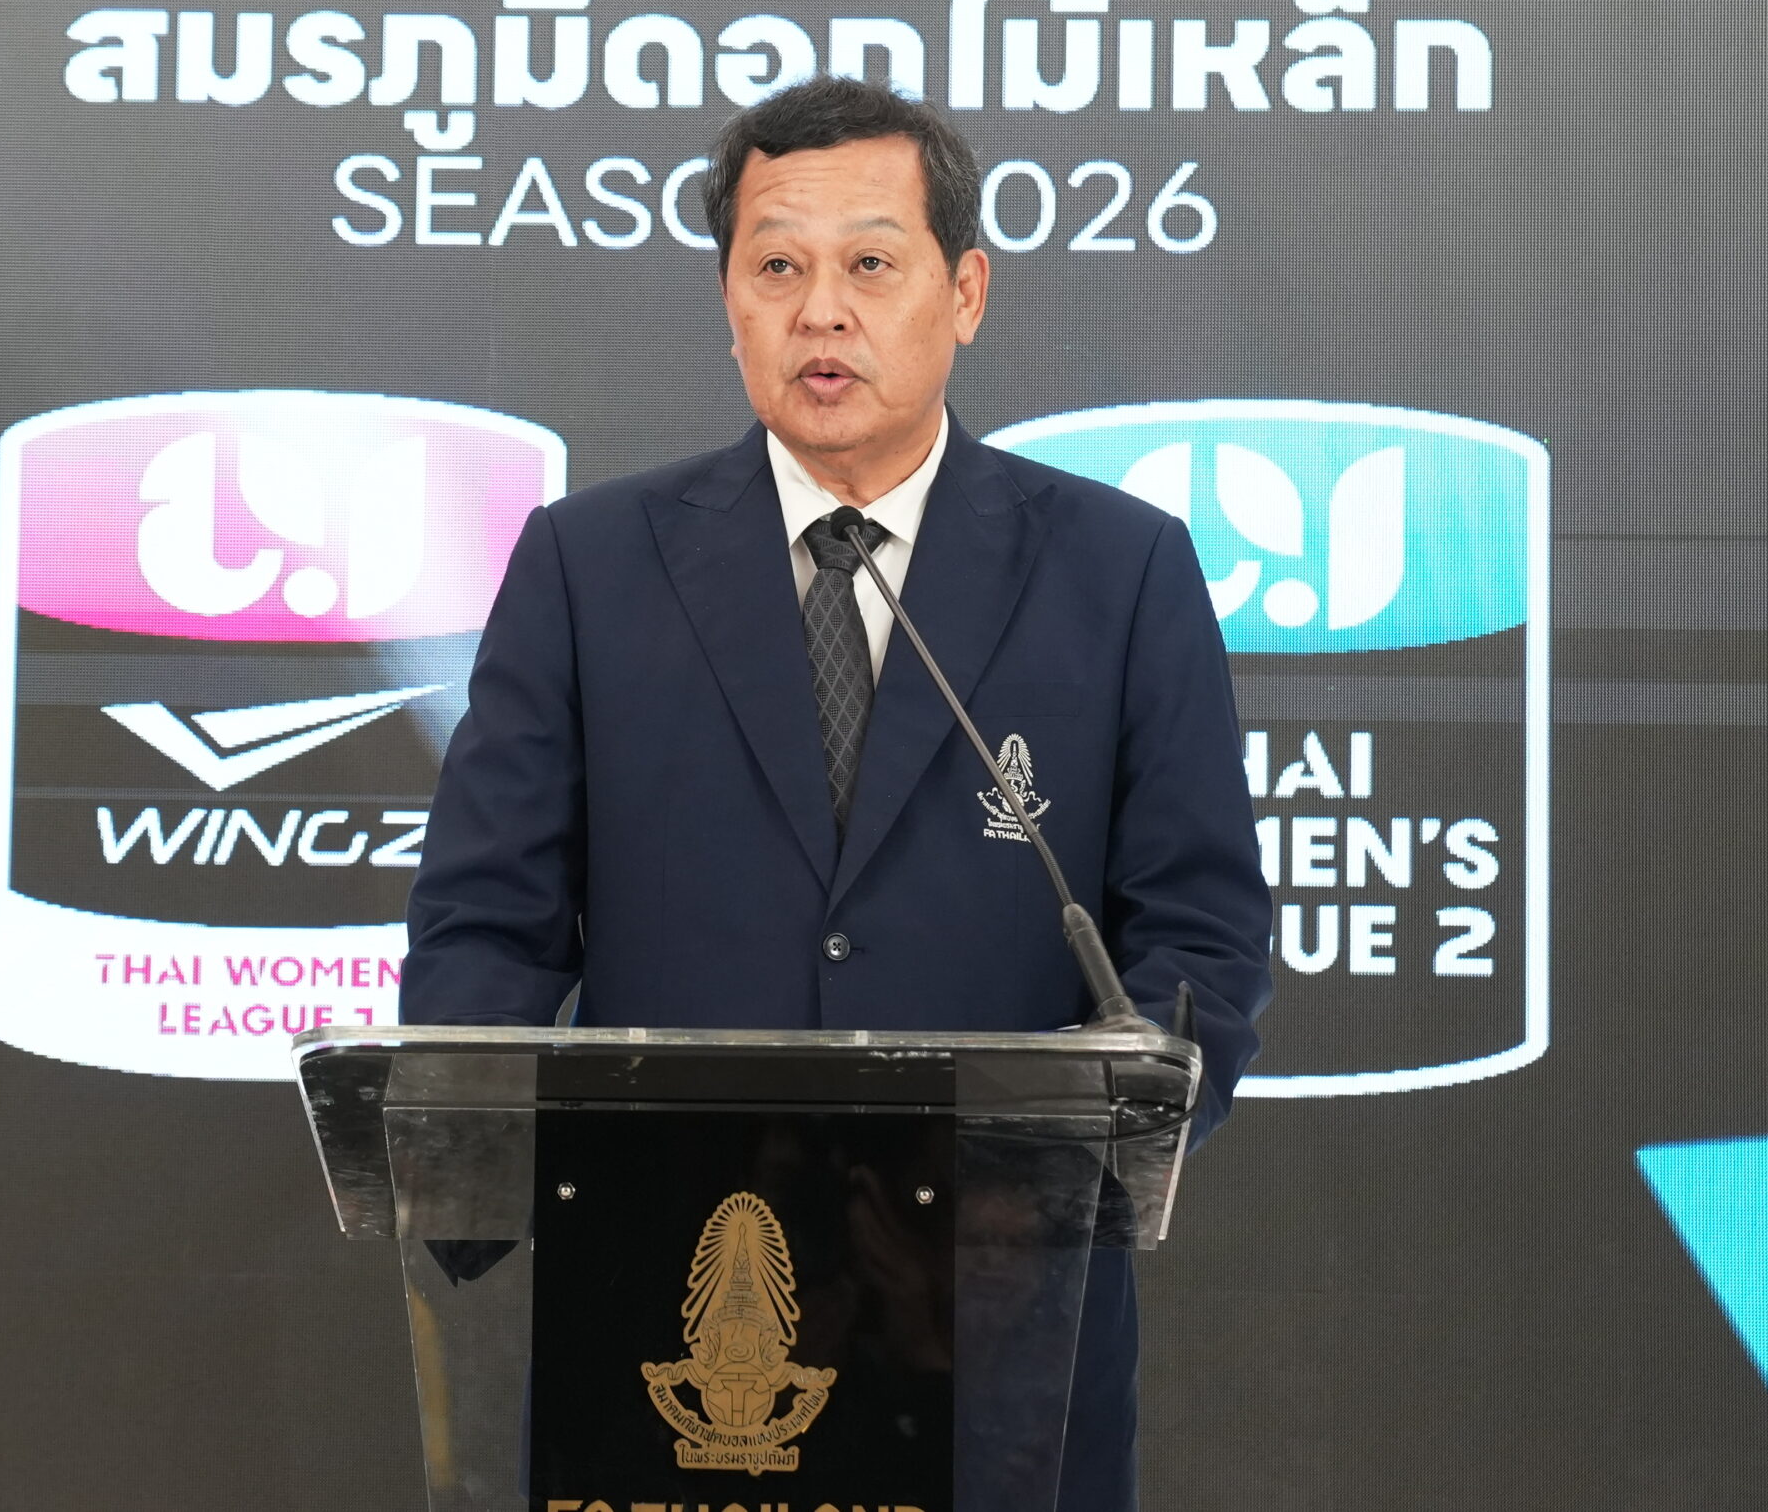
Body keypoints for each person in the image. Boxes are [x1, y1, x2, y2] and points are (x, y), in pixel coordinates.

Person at [401, 74, 1271, 1511]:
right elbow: (486, 927)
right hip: (659, 1302)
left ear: (965, 291)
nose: (823, 312)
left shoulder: (1119, 573)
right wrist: (471, 1178)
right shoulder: (589, 567)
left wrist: (1087, 1167)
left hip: (999, 1309)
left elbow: (1200, 933)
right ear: (728, 301)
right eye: (777, 268)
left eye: (871, 263)